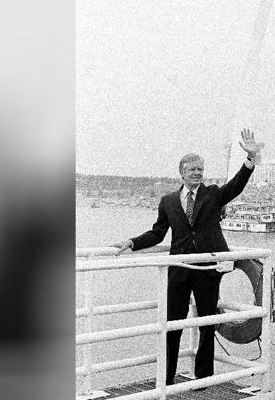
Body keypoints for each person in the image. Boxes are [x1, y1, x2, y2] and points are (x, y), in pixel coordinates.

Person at [111, 128, 264, 385]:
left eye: (200, 169)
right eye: (192, 169)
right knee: (172, 325)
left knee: (207, 323)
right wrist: (132, 242)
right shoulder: (168, 201)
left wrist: (250, 159)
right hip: (179, 270)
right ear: (182, 173)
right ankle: (167, 378)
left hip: (207, 269)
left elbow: (236, 185)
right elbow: (158, 234)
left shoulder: (213, 195)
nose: (197, 173)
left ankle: (203, 378)